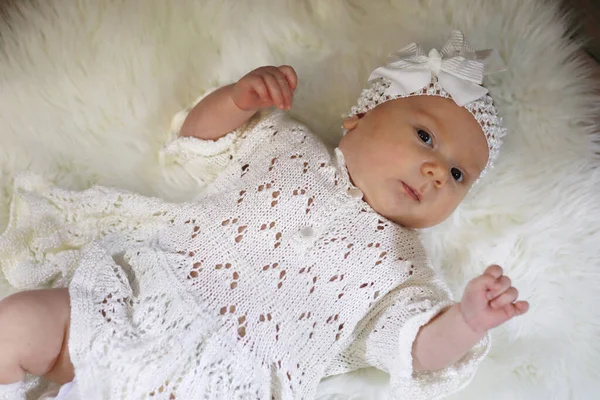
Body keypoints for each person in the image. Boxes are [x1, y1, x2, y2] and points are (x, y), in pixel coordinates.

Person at [0, 31, 528, 400]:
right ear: (360, 117)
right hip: (138, 302)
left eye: (459, 175)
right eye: (425, 136)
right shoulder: (282, 140)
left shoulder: (403, 272)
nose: (438, 170)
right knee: (17, 323)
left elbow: (417, 348)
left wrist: (465, 321)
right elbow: (200, 141)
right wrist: (238, 98)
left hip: (225, 383)